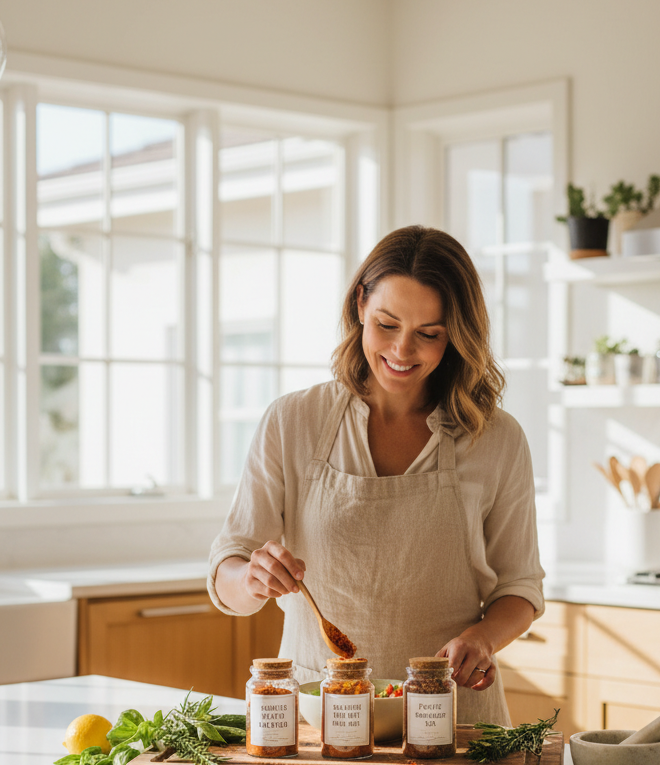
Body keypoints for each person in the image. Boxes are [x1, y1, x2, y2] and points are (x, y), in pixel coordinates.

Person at [208, 224, 544, 724]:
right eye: (387, 324)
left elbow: (520, 587)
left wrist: (482, 637)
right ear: (360, 304)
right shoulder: (292, 421)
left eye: (428, 334)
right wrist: (251, 578)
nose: (402, 351)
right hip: (322, 717)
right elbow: (227, 568)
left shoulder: (495, 438)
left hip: (449, 717)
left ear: (457, 335)